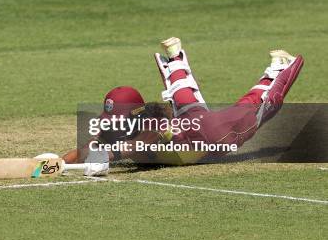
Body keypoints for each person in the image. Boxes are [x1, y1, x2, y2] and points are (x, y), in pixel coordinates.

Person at [63, 37, 304, 175]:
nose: (111, 124)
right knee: (184, 95)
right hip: (195, 125)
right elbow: (90, 145)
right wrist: (59, 163)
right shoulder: (123, 123)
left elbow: (141, 143)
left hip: (212, 136)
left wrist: (110, 155)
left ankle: (283, 67)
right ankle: (174, 57)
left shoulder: (151, 123)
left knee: (261, 107)